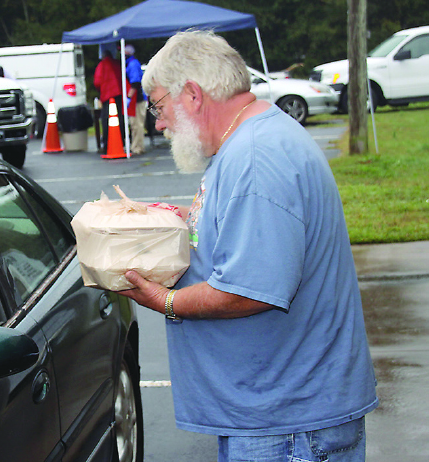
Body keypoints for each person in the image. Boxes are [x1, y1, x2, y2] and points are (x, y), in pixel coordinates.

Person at [118, 30, 378, 462]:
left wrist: (165, 300)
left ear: (194, 95)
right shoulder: (253, 140)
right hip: (283, 418)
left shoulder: (257, 158)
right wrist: (176, 217)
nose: (159, 123)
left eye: (160, 106)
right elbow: (249, 224)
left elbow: (247, 289)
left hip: (289, 427)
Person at [93, 49, 126, 154]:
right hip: (119, 94)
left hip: (107, 95)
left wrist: (101, 90)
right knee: (120, 118)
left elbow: (97, 81)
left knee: (107, 120)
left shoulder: (102, 65)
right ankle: (122, 141)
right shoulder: (117, 63)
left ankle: (107, 143)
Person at [124, 44, 147, 155]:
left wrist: (129, 97)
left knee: (137, 124)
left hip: (137, 99)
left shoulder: (132, 64)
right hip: (136, 99)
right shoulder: (131, 63)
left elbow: (135, 82)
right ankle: (135, 146)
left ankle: (138, 147)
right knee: (134, 124)